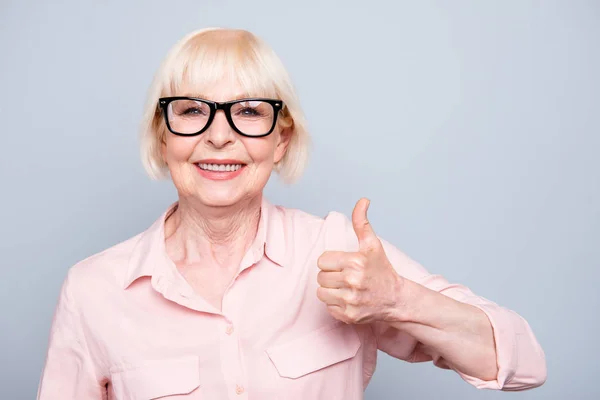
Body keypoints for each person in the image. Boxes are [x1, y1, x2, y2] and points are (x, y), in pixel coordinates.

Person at [37, 27, 547, 399]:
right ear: (162, 134)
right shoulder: (93, 290)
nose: (219, 135)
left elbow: (522, 363)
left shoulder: (338, 254)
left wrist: (396, 299)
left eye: (249, 111)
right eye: (192, 110)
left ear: (281, 140)